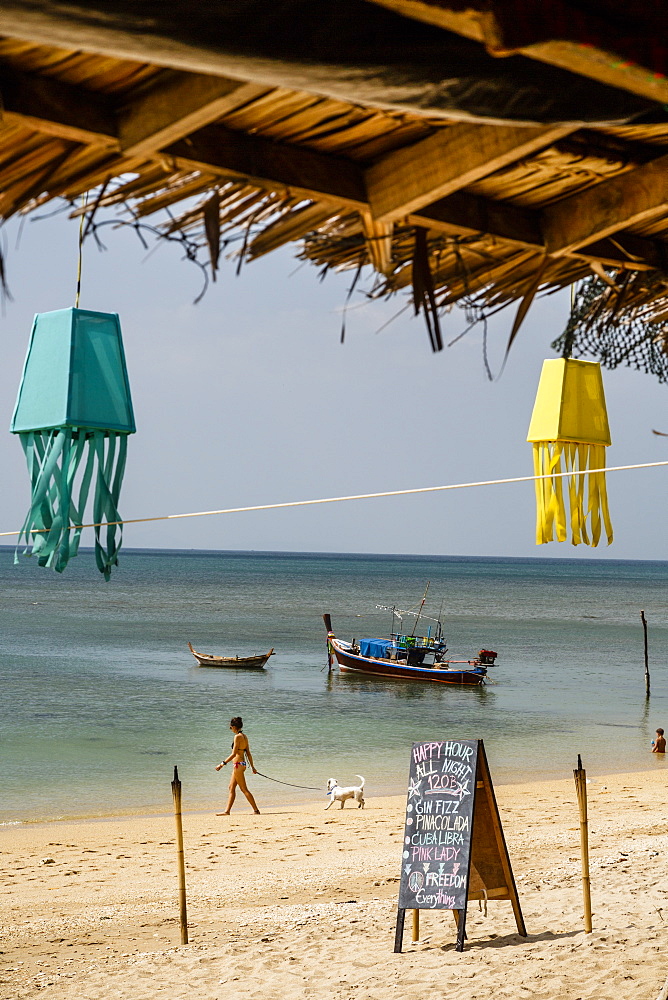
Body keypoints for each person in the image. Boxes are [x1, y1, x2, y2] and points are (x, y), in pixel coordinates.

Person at [215, 716, 260, 814]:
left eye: (231, 727)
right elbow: (248, 753)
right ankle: (227, 811)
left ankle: (256, 810)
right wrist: (252, 767)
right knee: (231, 787)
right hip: (242, 764)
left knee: (244, 789)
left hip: (237, 765)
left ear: (234, 727)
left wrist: (221, 764)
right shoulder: (244, 736)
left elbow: (234, 753)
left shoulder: (237, 737)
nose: (230, 729)